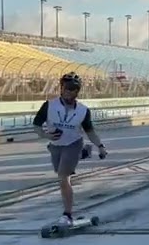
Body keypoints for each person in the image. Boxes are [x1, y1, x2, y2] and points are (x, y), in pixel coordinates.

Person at [33, 72, 107, 227]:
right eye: (66, 88)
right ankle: (83, 153)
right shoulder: (49, 105)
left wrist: (100, 146)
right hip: (56, 146)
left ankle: (67, 214)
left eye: (72, 89)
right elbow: (36, 125)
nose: (69, 91)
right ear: (61, 88)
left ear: (77, 91)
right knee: (61, 176)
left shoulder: (83, 110)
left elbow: (90, 131)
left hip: (73, 143)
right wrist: (46, 135)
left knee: (63, 178)